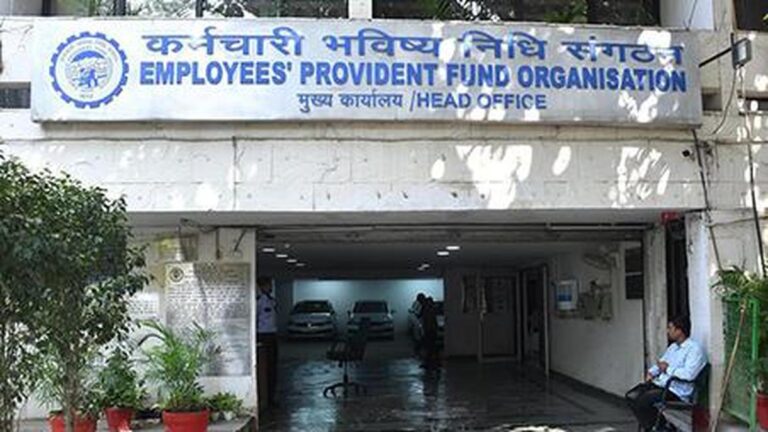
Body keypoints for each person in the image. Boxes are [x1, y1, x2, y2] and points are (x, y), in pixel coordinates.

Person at [625, 315, 707, 430]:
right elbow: (661, 363)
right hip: (661, 385)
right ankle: (661, 427)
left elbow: (689, 375)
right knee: (631, 396)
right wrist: (652, 372)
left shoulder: (694, 349)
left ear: (679, 330)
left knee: (644, 401)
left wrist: (668, 369)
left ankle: (658, 428)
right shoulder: (673, 347)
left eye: (670, 328)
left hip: (676, 391)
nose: (668, 331)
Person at [257, 276, 279, 408]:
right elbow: (255, 319)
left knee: (273, 367)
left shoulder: (272, 300)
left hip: (272, 335)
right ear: (262, 286)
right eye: (268, 285)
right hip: (263, 336)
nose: (270, 287)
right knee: (265, 367)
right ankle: (265, 397)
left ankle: (271, 397)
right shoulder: (259, 301)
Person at [421, 297, 440, 370]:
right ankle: (433, 362)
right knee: (431, 347)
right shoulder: (430, 310)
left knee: (431, 347)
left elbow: (431, 322)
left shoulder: (429, 310)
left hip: (430, 331)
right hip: (430, 331)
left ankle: (431, 362)